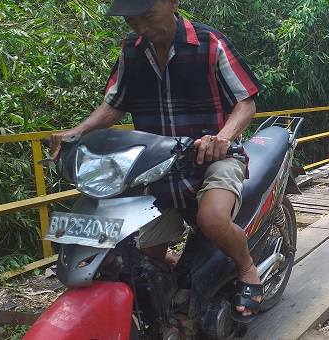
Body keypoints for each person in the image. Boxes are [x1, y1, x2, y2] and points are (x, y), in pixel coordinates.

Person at [49, 0, 264, 323]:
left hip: (213, 157)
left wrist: (224, 136)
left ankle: (247, 269)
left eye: (148, 17)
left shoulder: (208, 42)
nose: (142, 29)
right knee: (144, 256)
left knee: (213, 219)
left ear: (172, 3)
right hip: (159, 164)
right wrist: (77, 132)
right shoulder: (132, 49)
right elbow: (114, 106)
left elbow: (245, 102)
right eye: (132, 21)